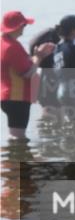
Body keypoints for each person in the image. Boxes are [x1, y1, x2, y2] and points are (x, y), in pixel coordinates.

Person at [1, 11, 56, 139]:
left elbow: (21, 65)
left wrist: (36, 57)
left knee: (14, 135)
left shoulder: (3, 42)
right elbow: (27, 73)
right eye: (24, 25)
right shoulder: (12, 47)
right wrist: (39, 57)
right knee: (18, 138)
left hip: (7, 96)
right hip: (17, 98)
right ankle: (16, 157)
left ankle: (11, 158)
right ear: (18, 27)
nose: (24, 29)